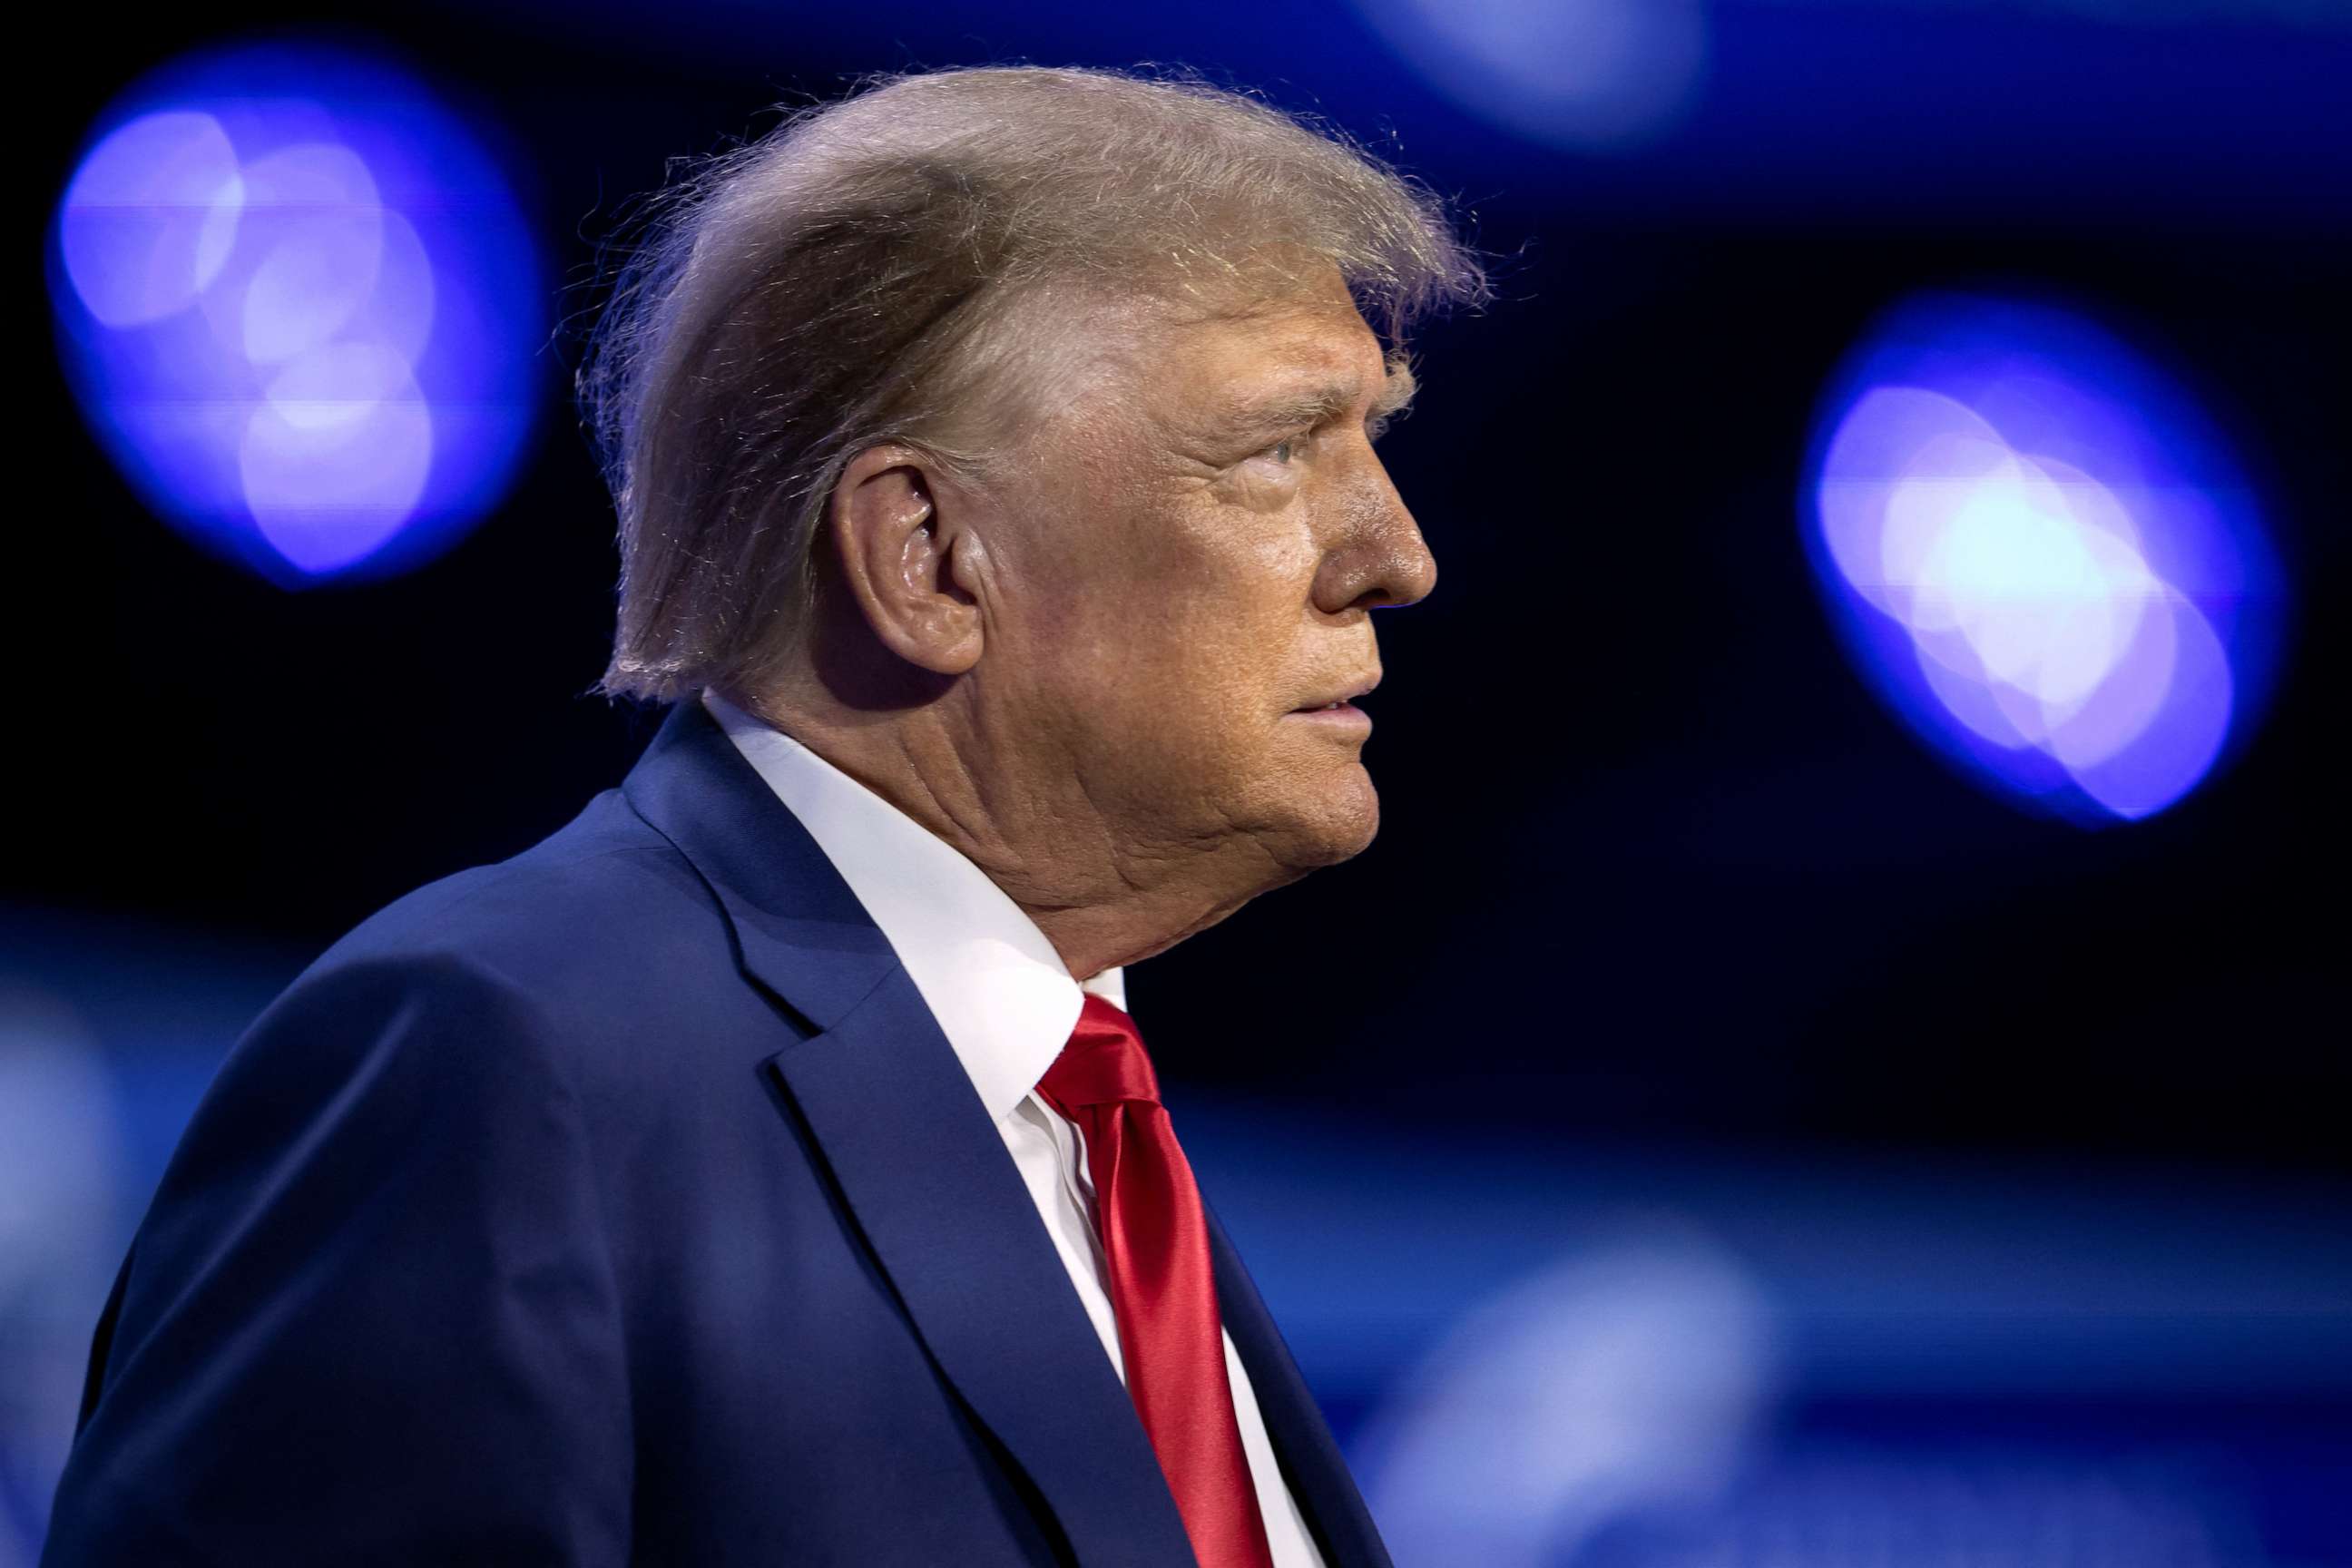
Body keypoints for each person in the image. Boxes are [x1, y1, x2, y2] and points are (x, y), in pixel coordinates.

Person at [42, 64, 1485, 1567]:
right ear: (927, 557)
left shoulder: (1085, 1130)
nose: (1398, 553)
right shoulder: (495, 1065)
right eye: (1276, 452)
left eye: (1373, 443)